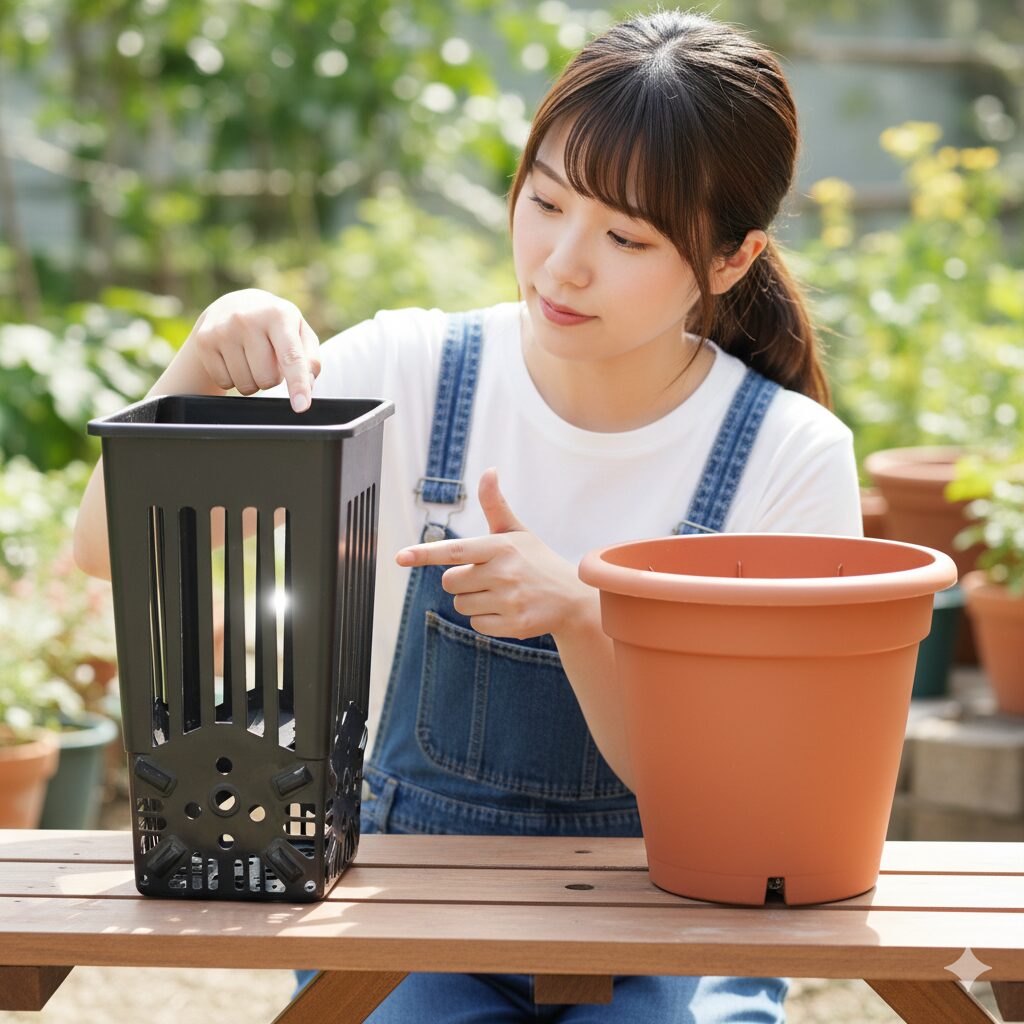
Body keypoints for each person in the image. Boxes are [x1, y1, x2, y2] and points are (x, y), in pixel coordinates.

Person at [74, 9, 862, 1021]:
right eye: (544, 202)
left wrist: (582, 613)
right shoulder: (404, 371)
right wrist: (198, 365)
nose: (561, 265)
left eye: (624, 236)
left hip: (679, 923)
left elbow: (754, 810)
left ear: (729, 257)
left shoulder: (784, 455)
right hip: (408, 916)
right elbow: (109, 552)